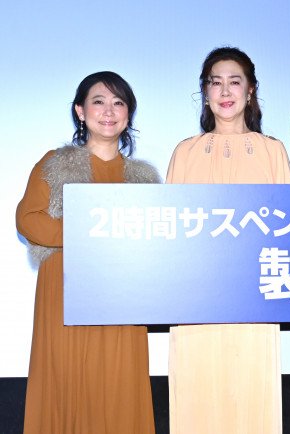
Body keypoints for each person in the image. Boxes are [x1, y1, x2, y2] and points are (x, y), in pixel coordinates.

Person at [16, 71, 158, 434]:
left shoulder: (144, 180)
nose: (108, 111)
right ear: (80, 111)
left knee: (119, 386)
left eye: (118, 102)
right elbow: (28, 220)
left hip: (124, 298)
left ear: (128, 113)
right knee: (66, 385)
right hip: (65, 296)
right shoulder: (55, 163)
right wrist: (93, 230)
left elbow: (157, 242)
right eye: (98, 101)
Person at [166, 47, 290, 434]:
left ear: (250, 90)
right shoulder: (185, 152)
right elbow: (170, 232)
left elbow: (287, 230)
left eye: (235, 81)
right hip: (195, 298)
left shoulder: (273, 150)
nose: (225, 91)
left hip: (256, 297)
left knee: (252, 397)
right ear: (204, 92)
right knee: (196, 395)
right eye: (215, 82)